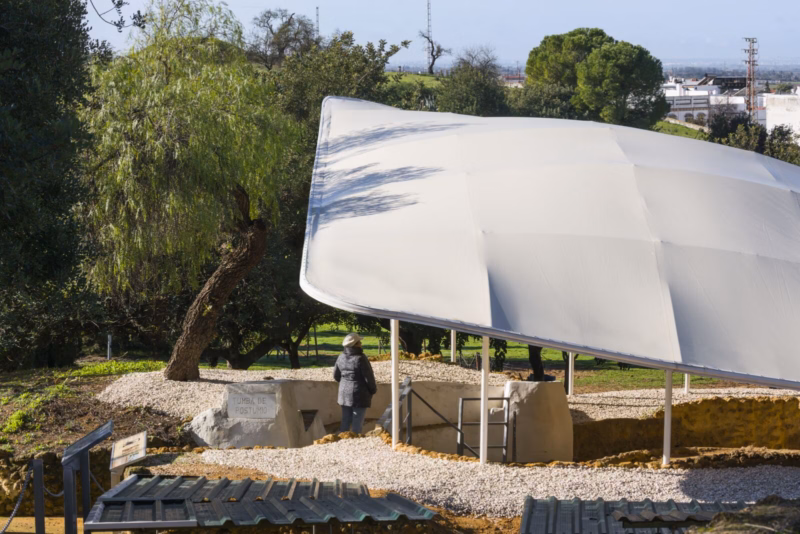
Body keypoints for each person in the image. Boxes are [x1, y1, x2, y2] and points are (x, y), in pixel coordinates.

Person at [334, 333, 378, 434]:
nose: (361, 343)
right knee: (357, 423)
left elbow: (336, 376)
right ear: (356, 345)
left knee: (345, 421)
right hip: (359, 394)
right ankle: (355, 442)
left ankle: (342, 442)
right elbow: (369, 377)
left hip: (344, 393)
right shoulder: (360, 358)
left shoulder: (340, 357)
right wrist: (373, 390)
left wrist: (346, 382)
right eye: (359, 342)